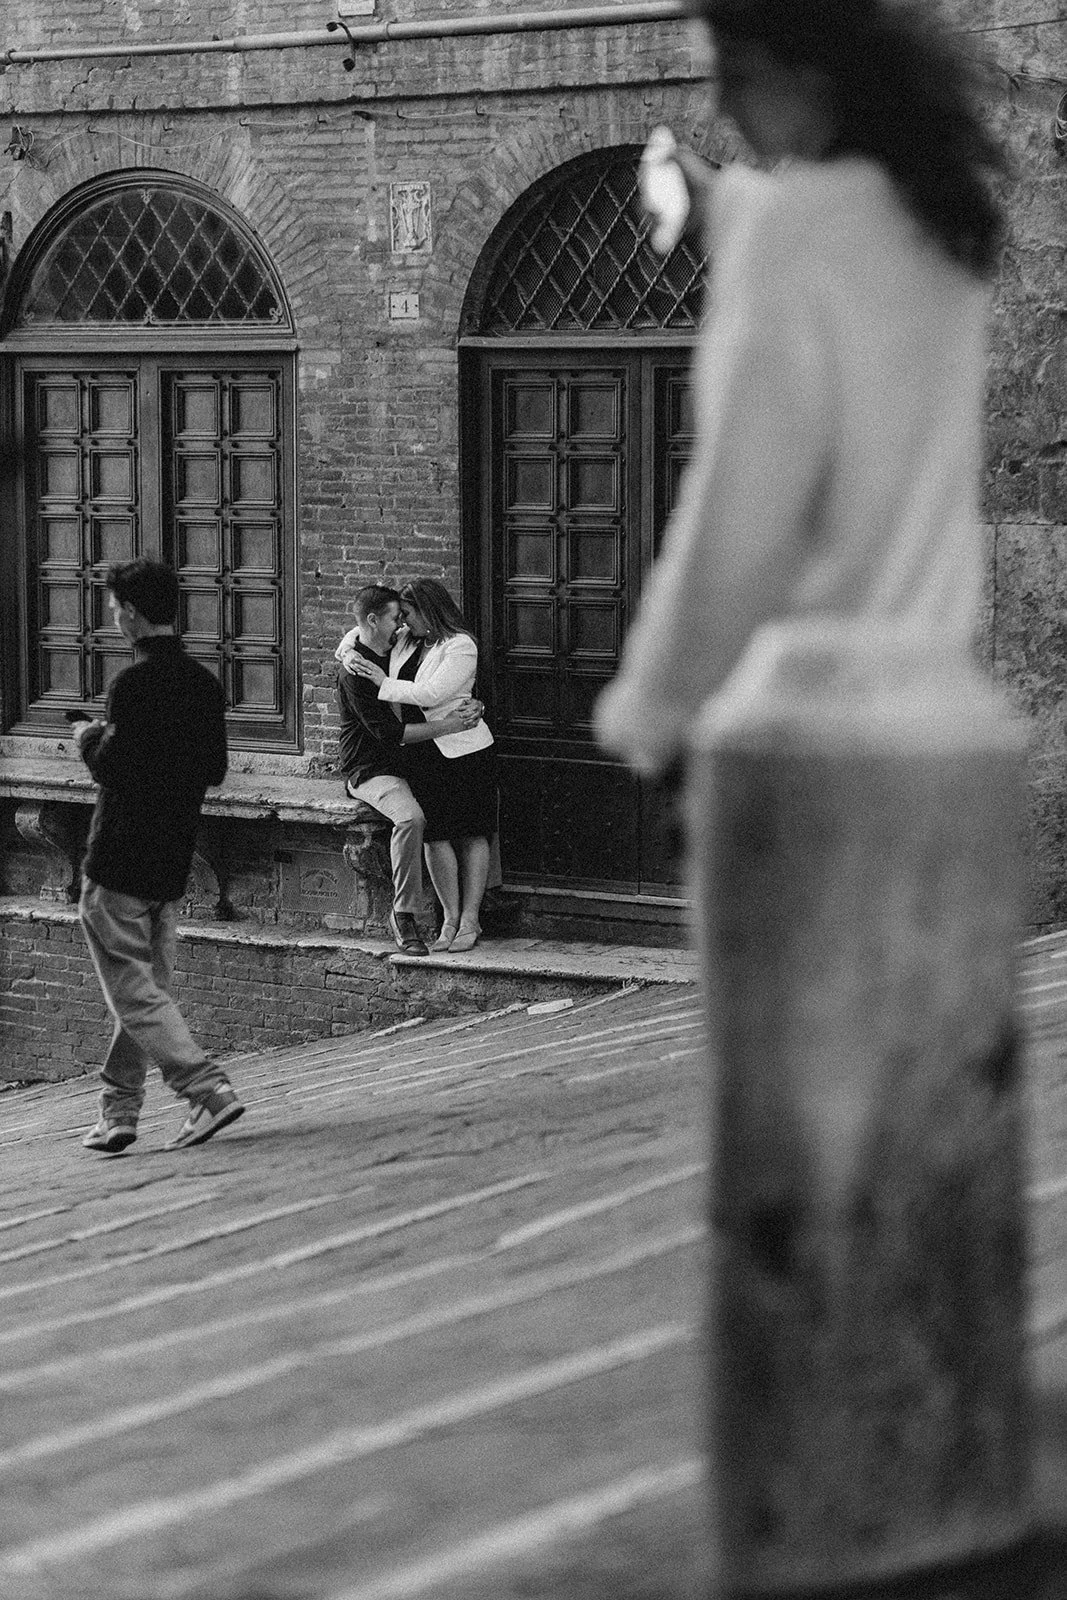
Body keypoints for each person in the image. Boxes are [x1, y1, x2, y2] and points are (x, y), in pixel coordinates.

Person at [596, 0, 1006, 778]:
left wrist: (652, 710)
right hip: (931, 721)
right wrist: (722, 203)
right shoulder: (938, 225)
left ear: (810, 75)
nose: (719, 102)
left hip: (800, 734)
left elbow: (740, 507)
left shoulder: (789, 235)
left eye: (736, 74)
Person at [71, 558, 244, 1155]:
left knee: (134, 991)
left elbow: (114, 769)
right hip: (173, 858)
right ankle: (119, 1111)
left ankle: (205, 1089)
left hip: (118, 857)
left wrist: (88, 739)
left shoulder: (131, 685)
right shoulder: (204, 684)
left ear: (133, 613)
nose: (114, 617)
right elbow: (215, 770)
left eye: (116, 607)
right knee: (146, 993)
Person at [340, 579, 497, 952]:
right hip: (423, 755)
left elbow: (431, 694)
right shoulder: (407, 640)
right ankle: (449, 921)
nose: (404, 624)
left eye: (409, 615)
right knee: (437, 836)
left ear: (429, 611)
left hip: (466, 749)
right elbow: (360, 628)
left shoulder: (459, 645)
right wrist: (346, 652)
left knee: (473, 833)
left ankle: (470, 922)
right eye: (400, 617)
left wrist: (382, 681)